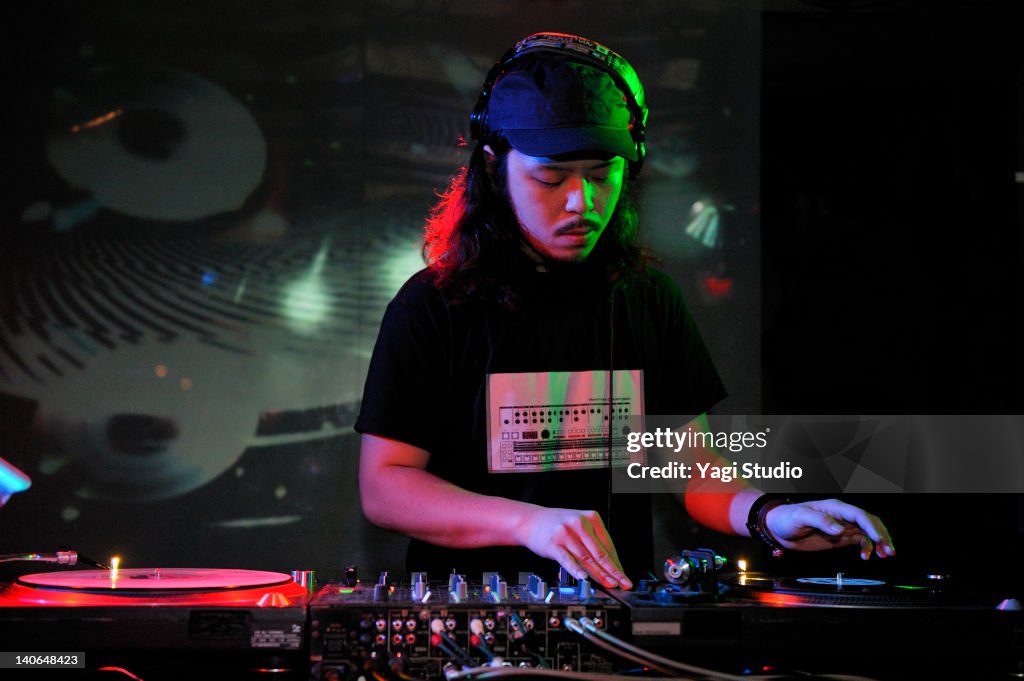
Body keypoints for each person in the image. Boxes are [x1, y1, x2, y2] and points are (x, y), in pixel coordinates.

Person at [355, 32, 894, 589]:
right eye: (551, 177)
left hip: (617, 618)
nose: (580, 201)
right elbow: (386, 486)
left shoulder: (647, 299)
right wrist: (527, 524)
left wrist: (769, 516)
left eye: (600, 174)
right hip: (471, 630)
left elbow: (691, 471)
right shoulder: (434, 305)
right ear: (494, 169)